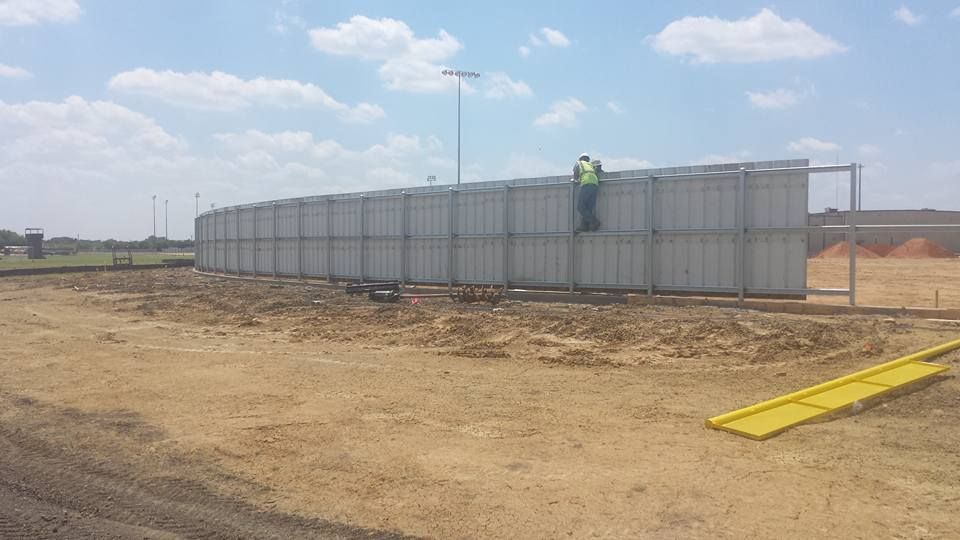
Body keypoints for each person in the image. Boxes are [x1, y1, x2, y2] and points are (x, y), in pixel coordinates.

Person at [573, 153, 601, 231]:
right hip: (595, 185)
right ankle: (584, 226)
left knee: (580, 207)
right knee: (588, 208)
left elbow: (575, 175)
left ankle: (594, 221)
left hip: (586, 183)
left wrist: (576, 180)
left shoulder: (579, 163)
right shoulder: (591, 165)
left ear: (581, 158)